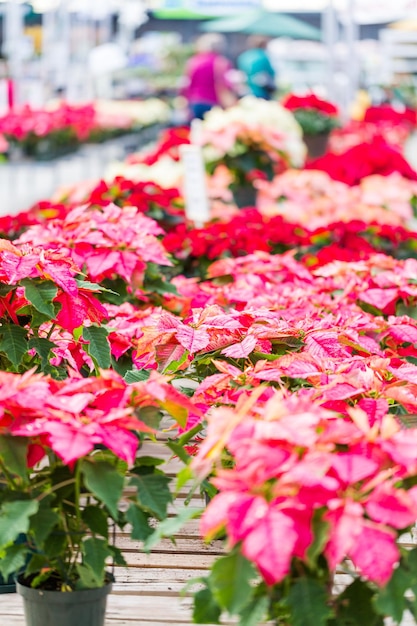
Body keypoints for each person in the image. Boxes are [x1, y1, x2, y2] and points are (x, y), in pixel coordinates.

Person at [182, 34, 236, 120]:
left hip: (195, 102)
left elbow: (186, 84)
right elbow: (223, 85)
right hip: (213, 103)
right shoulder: (220, 62)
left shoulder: (193, 61)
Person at [237, 36, 276, 100]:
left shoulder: (244, 56)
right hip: (262, 91)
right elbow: (271, 73)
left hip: (246, 90)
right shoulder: (263, 56)